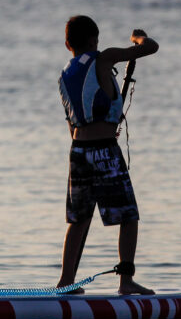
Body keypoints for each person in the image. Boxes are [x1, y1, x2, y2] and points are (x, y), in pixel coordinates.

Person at [57, 15, 159, 295]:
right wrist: (137, 38)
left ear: (68, 45)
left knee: (78, 220)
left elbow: (72, 122)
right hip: (104, 151)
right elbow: (151, 47)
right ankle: (126, 282)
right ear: (94, 40)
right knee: (128, 215)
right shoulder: (105, 58)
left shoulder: (64, 75)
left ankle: (66, 282)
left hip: (77, 152)